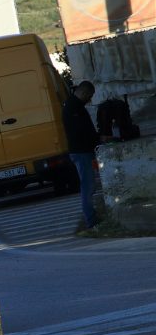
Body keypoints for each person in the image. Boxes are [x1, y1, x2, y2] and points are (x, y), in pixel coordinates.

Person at [62, 80, 99, 229]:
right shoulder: (73, 107)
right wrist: (97, 138)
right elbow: (80, 131)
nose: (89, 100)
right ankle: (91, 220)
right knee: (88, 185)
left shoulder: (73, 105)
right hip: (81, 151)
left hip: (82, 151)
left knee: (89, 185)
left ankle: (92, 218)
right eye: (89, 96)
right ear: (83, 93)